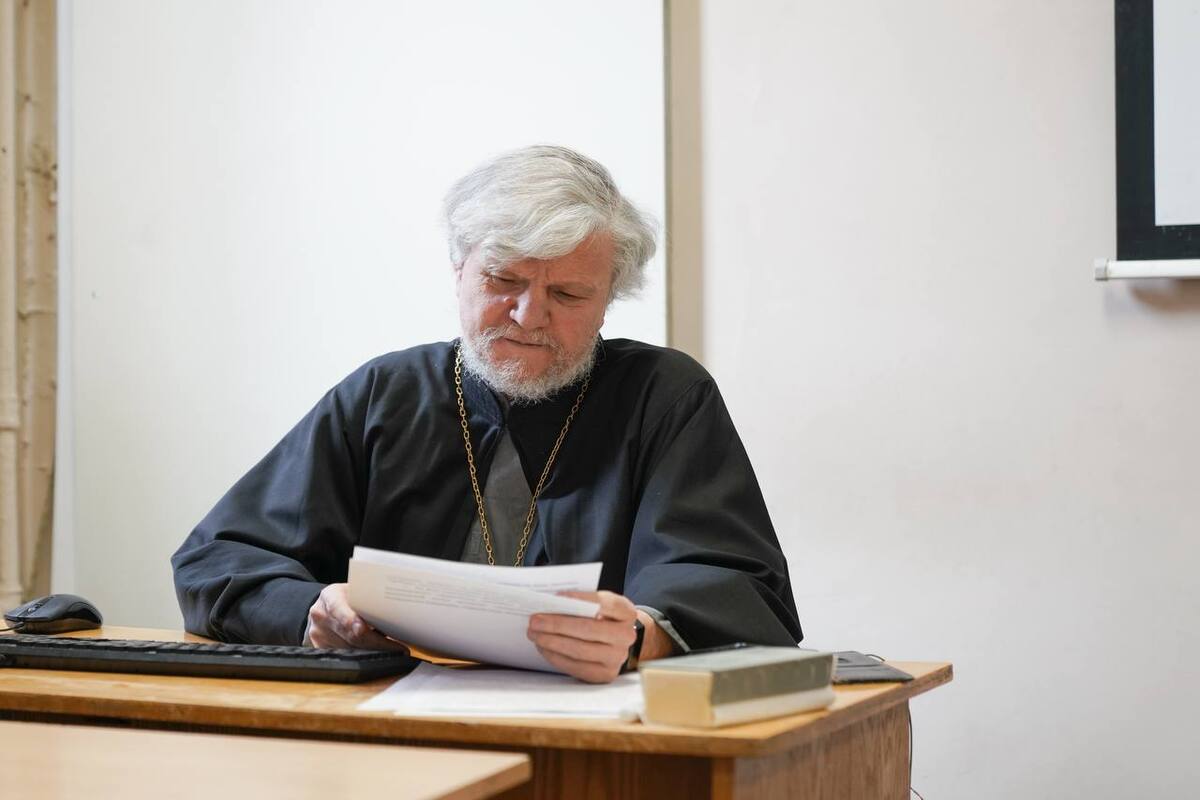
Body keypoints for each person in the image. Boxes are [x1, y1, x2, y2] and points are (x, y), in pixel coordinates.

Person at [171, 145, 802, 683]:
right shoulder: (386, 393)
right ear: (459, 270)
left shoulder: (663, 396)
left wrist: (641, 636)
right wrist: (312, 613)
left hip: (597, 735)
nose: (529, 316)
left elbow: (733, 583)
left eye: (567, 293)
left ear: (609, 298)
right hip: (390, 723)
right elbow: (221, 558)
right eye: (503, 281)